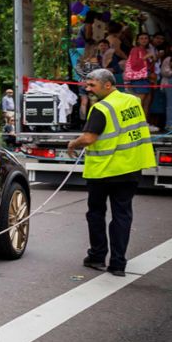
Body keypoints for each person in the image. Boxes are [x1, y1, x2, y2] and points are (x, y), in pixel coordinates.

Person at [67, 68, 156, 277]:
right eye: (87, 85)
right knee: (122, 215)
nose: (88, 89)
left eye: (92, 85)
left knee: (96, 213)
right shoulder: (133, 101)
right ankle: (118, 264)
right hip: (130, 168)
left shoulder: (101, 108)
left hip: (104, 171)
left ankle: (97, 257)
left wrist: (73, 143)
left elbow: (89, 138)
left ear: (108, 85)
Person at [123, 33, 153, 117]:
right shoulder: (135, 50)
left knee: (146, 102)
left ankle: (144, 123)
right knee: (139, 102)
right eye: (141, 38)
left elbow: (147, 66)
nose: (144, 40)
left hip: (146, 78)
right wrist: (146, 57)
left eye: (146, 38)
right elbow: (134, 64)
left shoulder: (145, 50)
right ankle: (137, 123)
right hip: (139, 79)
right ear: (137, 40)